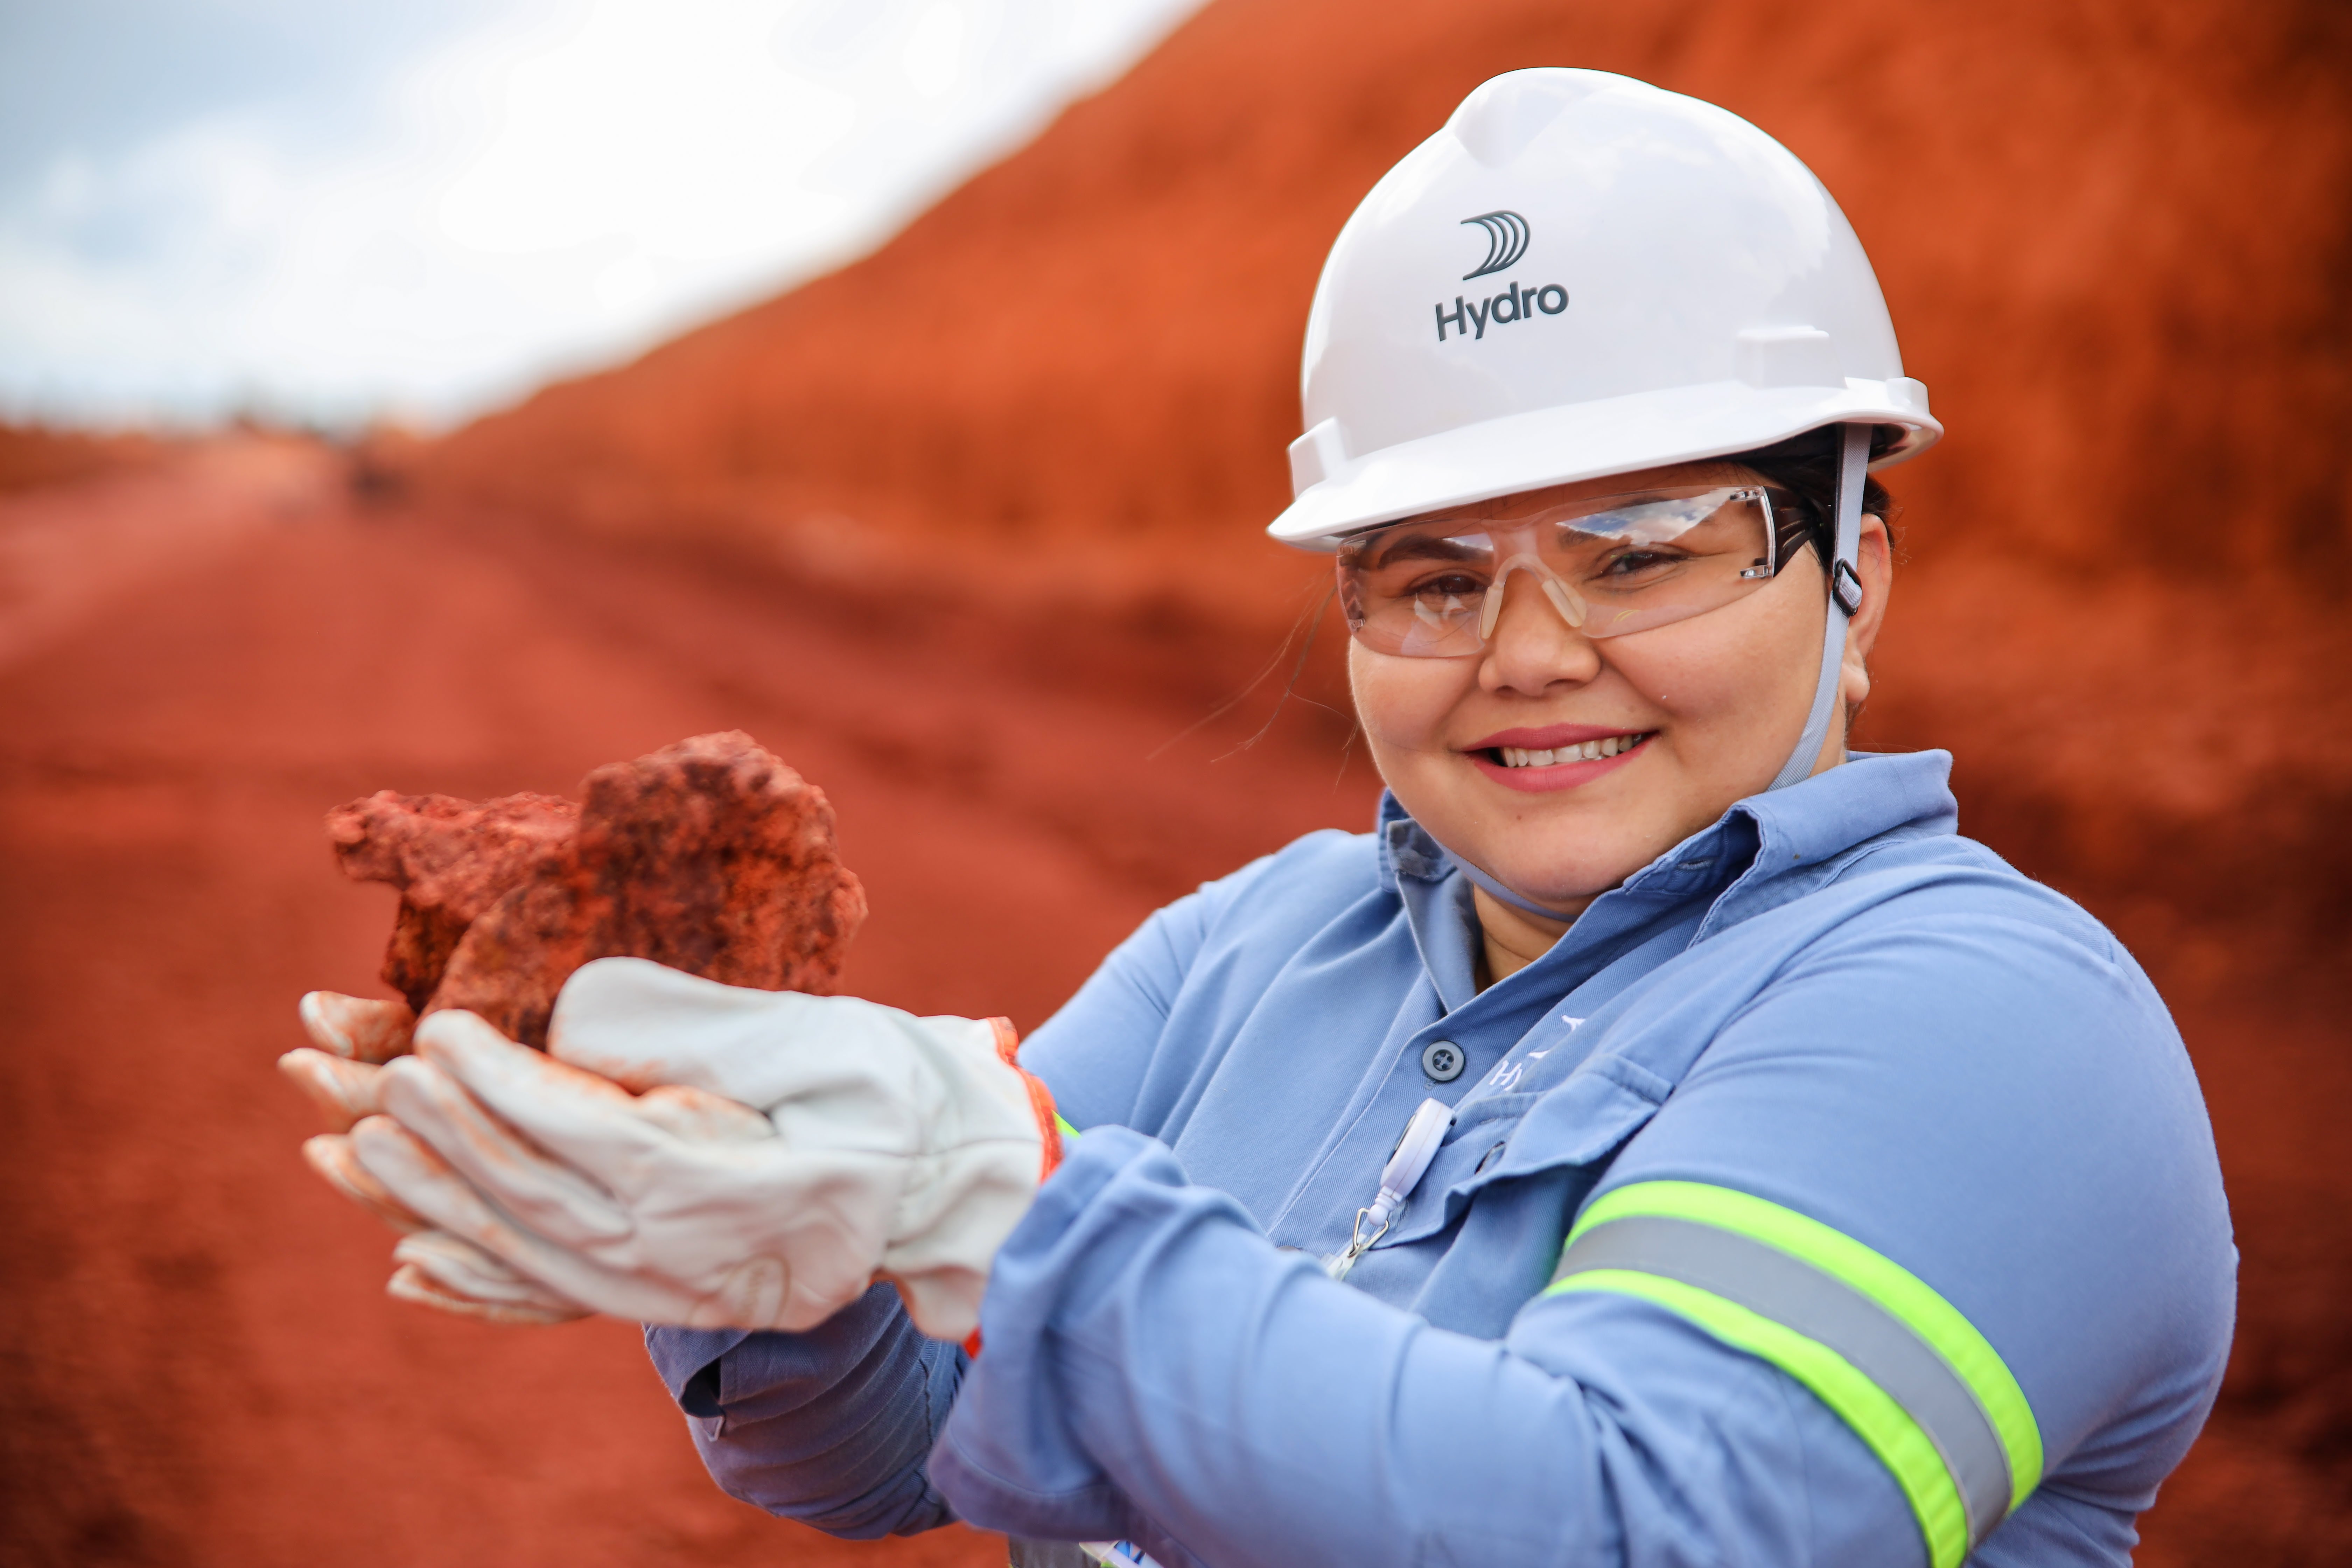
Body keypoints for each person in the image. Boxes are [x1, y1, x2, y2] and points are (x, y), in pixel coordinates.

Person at [283, 69, 2234, 1568]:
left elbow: (1621, 1519)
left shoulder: (1995, 1025)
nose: (1532, 653)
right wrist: (774, 1283)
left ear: (1856, 581)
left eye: (1646, 553)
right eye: (1432, 576)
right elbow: (883, 1460)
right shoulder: (1254, 950)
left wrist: (995, 1206)